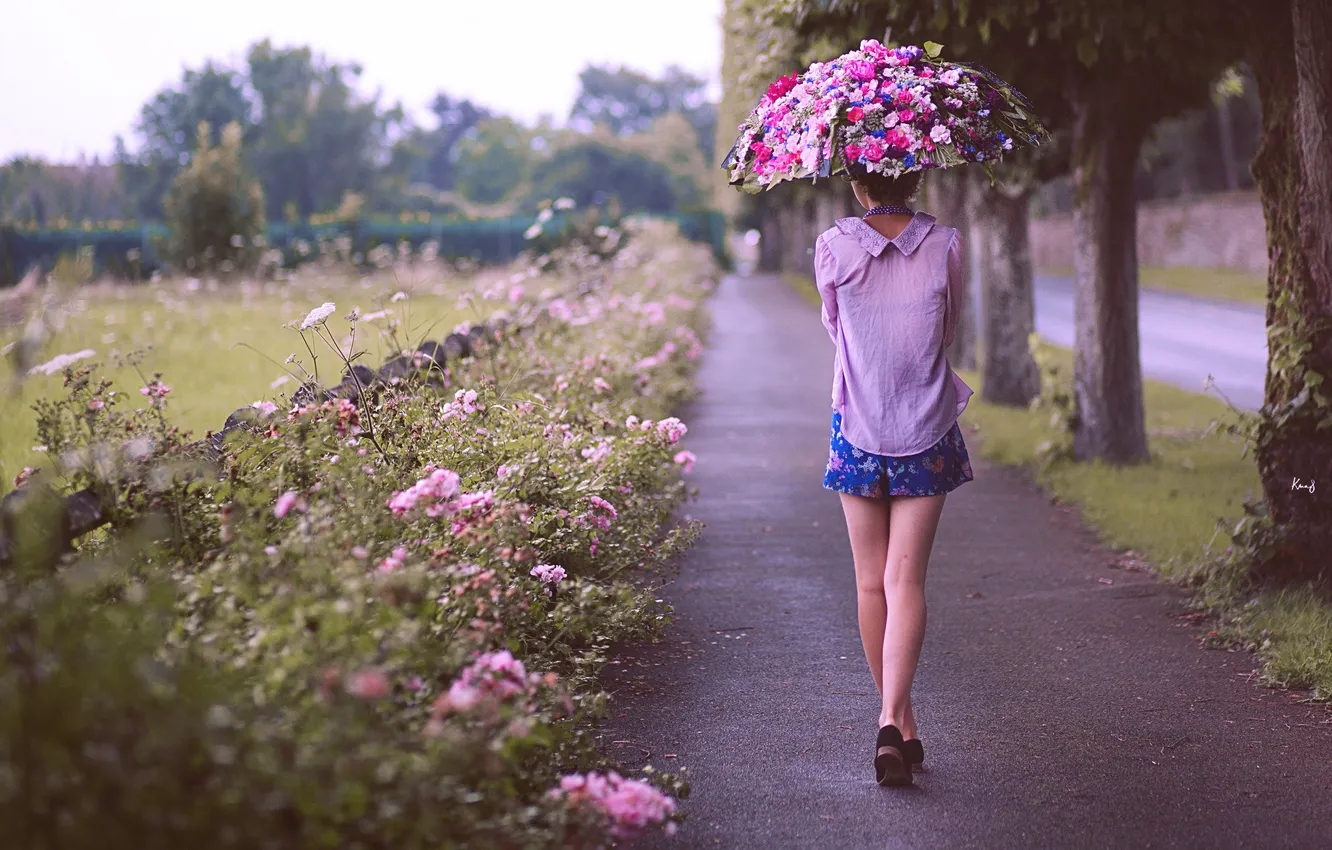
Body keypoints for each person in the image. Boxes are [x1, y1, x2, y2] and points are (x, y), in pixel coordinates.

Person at [814, 165, 975, 787]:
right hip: (926, 425)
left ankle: (896, 722)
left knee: (869, 583)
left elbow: (835, 327)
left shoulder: (833, 247)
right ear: (916, 178)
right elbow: (950, 325)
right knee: (906, 579)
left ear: (857, 185)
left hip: (857, 422)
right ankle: (895, 722)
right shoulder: (946, 245)